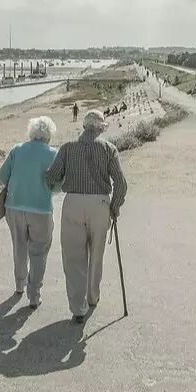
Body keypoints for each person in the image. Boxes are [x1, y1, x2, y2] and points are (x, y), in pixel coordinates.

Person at [46, 110, 127, 324]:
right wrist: (114, 207)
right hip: (100, 204)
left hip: (73, 203)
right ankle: (92, 297)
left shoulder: (67, 148)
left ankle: (78, 307)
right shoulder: (109, 148)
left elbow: (52, 176)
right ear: (100, 128)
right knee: (96, 254)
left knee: (73, 257)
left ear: (84, 126)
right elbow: (121, 184)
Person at [0, 116, 60, 309]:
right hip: (41, 209)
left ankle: (19, 284)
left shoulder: (17, 149)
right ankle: (34, 295)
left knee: (19, 247)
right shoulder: (53, 154)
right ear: (49, 135)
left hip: (14, 207)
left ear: (31, 132)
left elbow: (2, 176)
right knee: (39, 252)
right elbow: (59, 185)